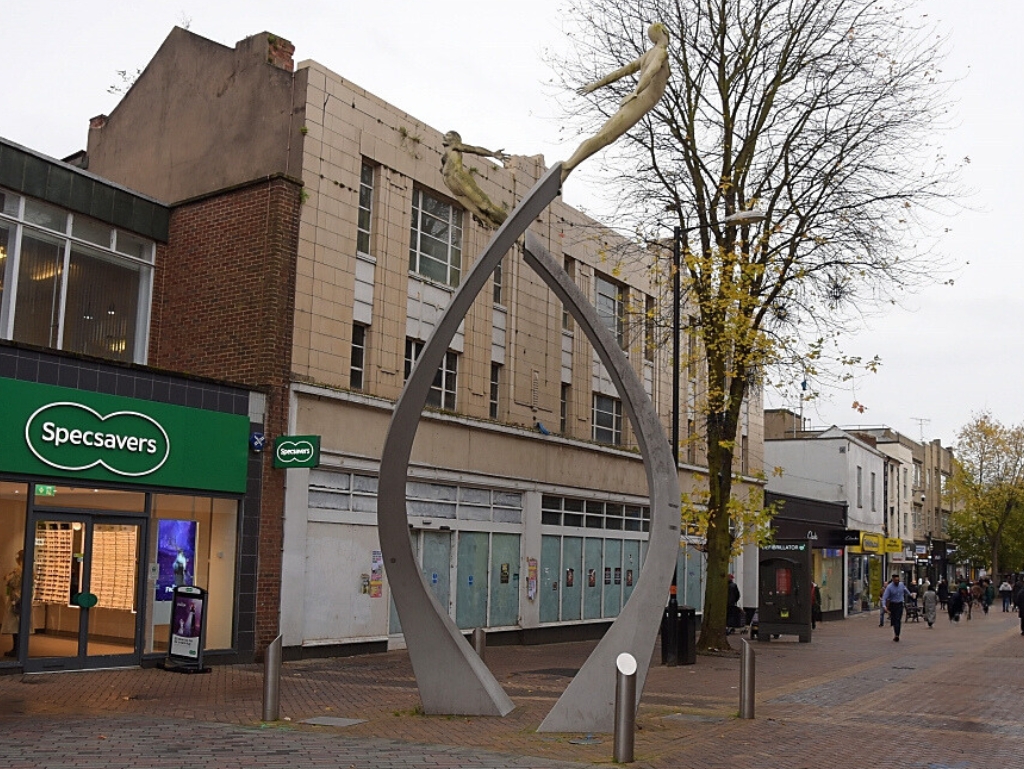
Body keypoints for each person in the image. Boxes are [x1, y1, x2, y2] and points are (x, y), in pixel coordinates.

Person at [561, 23, 671, 182]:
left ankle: (567, 168)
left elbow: (621, 72)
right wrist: (636, 91)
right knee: (605, 137)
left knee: (602, 137)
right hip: (639, 101)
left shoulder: (648, 55)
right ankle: (567, 166)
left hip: (636, 100)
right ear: (663, 32)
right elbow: (651, 70)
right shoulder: (661, 53)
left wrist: (596, 84)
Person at [440, 131, 509, 230]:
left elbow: (474, 149)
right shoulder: (445, 156)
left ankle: (508, 221)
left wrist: (492, 154)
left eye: (448, 135)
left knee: (486, 207)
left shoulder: (454, 146)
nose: (444, 137)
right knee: (478, 213)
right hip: (451, 185)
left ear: (454, 139)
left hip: (459, 179)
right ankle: (498, 227)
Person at [3, 550, 24, 656]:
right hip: (23, 599)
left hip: (16, 599)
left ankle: (16, 648)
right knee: (21, 625)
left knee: (15, 625)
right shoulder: (30, 571)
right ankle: (20, 648)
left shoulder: (18, 571)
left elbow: (13, 583)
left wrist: (7, 579)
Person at [882, 573, 912, 642]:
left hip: (900, 604)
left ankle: (897, 635)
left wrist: (910, 595)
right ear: (892, 580)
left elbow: (906, 591)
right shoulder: (889, 587)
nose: (897, 582)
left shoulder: (901, 585)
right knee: (894, 620)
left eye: (898, 580)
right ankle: (896, 633)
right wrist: (884, 606)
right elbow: (884, 597)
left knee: (898, 619)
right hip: (893, 604)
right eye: (895, 581)